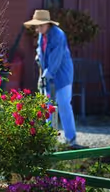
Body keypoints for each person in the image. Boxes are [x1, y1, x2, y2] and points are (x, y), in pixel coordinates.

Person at [24, 9, 84, 149]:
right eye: (36, 26)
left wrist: (46, 75)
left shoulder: (58, 35)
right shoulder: (42, 35)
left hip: (62, 75)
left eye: (40, 26)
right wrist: (38, 55)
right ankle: (48, 139)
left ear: (47, 24)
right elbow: (40, 49)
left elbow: (56, 59)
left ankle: (71, 140)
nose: (37, 29)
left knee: (63, 104)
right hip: (47, 74)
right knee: (47, 107)